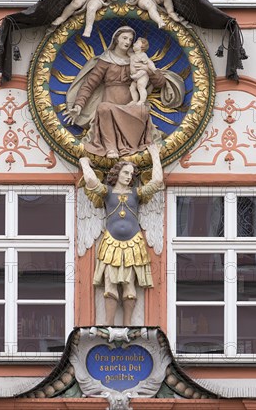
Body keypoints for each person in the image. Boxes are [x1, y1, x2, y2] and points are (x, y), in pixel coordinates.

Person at [79, 143, 163, 326]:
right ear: (117, 173)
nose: (128, 177)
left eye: (131, 174)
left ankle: (127, 325)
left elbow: (156, 182)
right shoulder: (108, 193)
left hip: (133, 243)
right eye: (125, 173)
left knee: (129, 286)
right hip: (111, 243)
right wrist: (84, 163)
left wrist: (155, 155)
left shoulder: (136, 193)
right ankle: (108, 325)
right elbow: (92, 183)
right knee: (109, 286)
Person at [64, 26, 171, 159]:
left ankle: (131, 145)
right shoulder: (105, 60)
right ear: (116, 39)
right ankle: (111, 148)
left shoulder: (137, 58)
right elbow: (89, 84)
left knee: (142, 109)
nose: (128, 42)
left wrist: (148, 70)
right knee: (103, 108)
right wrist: (78, 105)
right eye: (124, 38)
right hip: (110, 105)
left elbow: (160, 83)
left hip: (132, 106)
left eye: (131, 39)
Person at [128, 37, 156, 105]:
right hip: (135, 77)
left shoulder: (143, 55)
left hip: (142, 75)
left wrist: (153, 69)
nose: (134, 44)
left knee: (140, 86)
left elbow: (149, 62)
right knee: (132, 88)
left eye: (137, 43)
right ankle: (135, 100)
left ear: (142, 47)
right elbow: (128, 52)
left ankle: (142, 101)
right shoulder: (133, 55)